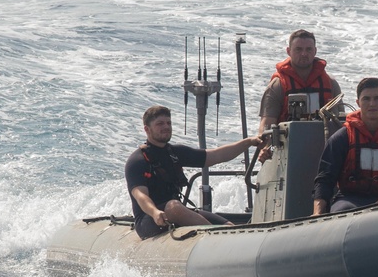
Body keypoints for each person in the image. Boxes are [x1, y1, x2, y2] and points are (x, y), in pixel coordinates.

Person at [125, 105, 263, 239]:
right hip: (149, 219)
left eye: (168, 123)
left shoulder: (175, 153)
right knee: (174, 206)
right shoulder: (137, 161)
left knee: (228, 226)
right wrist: (155, 212)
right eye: (160, 124)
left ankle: (228, 241)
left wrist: (248, 142)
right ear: (147, 129)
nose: (166, 127)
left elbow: (216, 155)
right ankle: (216, 239)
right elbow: (140, 196)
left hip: (177, 211)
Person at [312, 77, 378, 215]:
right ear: (358, 102)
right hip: (350, 199)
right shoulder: (342, 138)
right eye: (366, 99)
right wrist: (317, 213)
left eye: (377, 98)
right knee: (342, 211)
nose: (372, 104)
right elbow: (325, 179)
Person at [257, 29, 343, 161]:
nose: (304, 54)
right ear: (288, 51)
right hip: (286, 153)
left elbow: (341, 122)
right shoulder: (277, 86)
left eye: (308, 49)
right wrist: (265, 148)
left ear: (315, 51)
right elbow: (267, 124)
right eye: (298, 49)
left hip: (324, 151)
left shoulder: (330, 84)